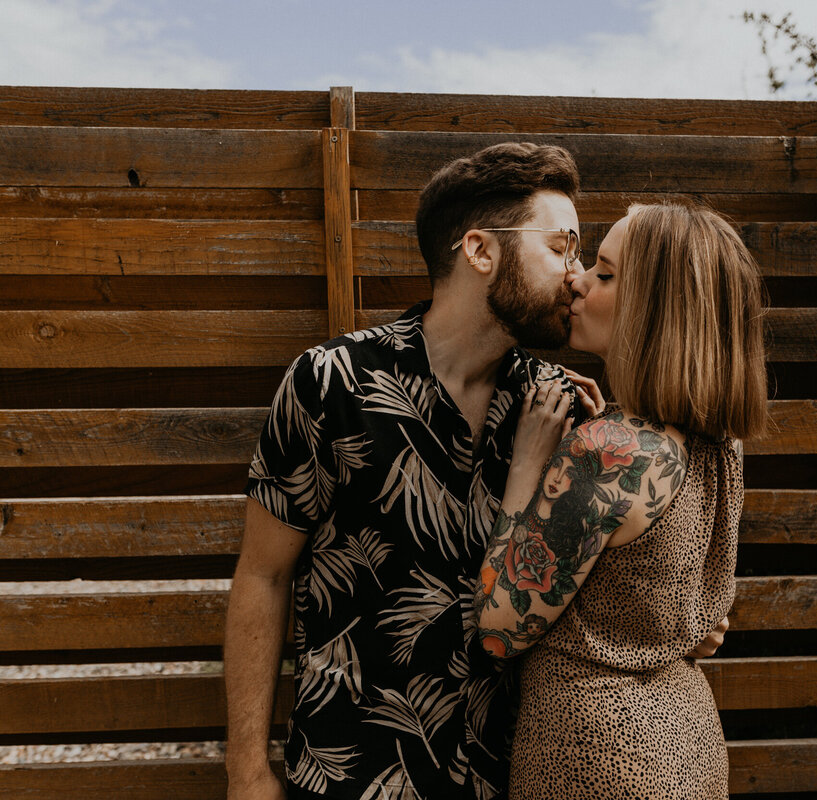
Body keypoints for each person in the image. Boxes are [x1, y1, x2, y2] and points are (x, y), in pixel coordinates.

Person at [223, 141, 598, 800]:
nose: (579, 273)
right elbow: (263, 573)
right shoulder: (329, 385)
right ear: (480, 252)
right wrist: (247, 769)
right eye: (562, 246)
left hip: (504, 780)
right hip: (349, 775)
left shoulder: (557, 407)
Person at [475, 203, 768, 800]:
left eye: (605, 274)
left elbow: (499, 627)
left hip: (595, 756)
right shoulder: (717, 443)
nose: (578, 280)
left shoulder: (610, 450)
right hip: (688, 744)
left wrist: (531, 463)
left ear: (655, 309)